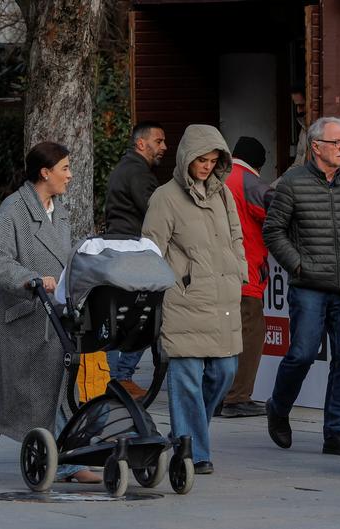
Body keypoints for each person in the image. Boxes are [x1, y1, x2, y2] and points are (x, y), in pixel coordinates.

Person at [0, 142, 100, 483]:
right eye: (65, 168)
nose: (70, 175)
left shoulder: (60, 209)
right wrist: (33, 279)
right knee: (2, 388)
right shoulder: (13, 210)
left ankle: (68, 460)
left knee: (58, 388)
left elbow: (65, 256)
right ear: (45, 172)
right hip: (16, 318)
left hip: (51, 317)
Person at [141, 124, 247, 475]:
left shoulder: (223, 195)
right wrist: (168, 287)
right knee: (186, 377)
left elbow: (236, 237)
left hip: (223, 299)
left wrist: (239, 270)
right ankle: (194, 453)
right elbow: (151, 249)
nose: (206, 166)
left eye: (214, 160)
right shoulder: (165, 197)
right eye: (201, 159)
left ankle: (184, 432)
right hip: (183, 302)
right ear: (187, 158)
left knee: (225, 371)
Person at [263, 116, 340, 456]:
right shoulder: (292, 182)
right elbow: (273, 230)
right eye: (337, 142)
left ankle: (336, 432)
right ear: (316, 147)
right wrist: (298, 264)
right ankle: (278, 408)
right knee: (302, 354)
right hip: (309, 284)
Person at [103, 120, 167, 399]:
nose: (164, 147)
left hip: (121, 252)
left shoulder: (125, 168)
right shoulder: (139, 173)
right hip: (134, 253)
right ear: (141, 143)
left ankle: (117, 376)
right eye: (159, 141)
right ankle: (121, 376)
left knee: (127, 316)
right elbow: (156, 213)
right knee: (147, 315)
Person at [220, 136, 270, 418]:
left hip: (218, 273)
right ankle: (238, 396)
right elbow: (274, 214)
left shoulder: (220, 176)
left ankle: (217, 396)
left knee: (221, 339)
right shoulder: (249, 182)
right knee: (250, 334)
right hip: (246, 273)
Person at [289, 86, 308, 170]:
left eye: (302, 105)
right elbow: (297, 165)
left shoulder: (321, 131)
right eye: (297, 106)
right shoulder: (303, 129)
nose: (299, 110)